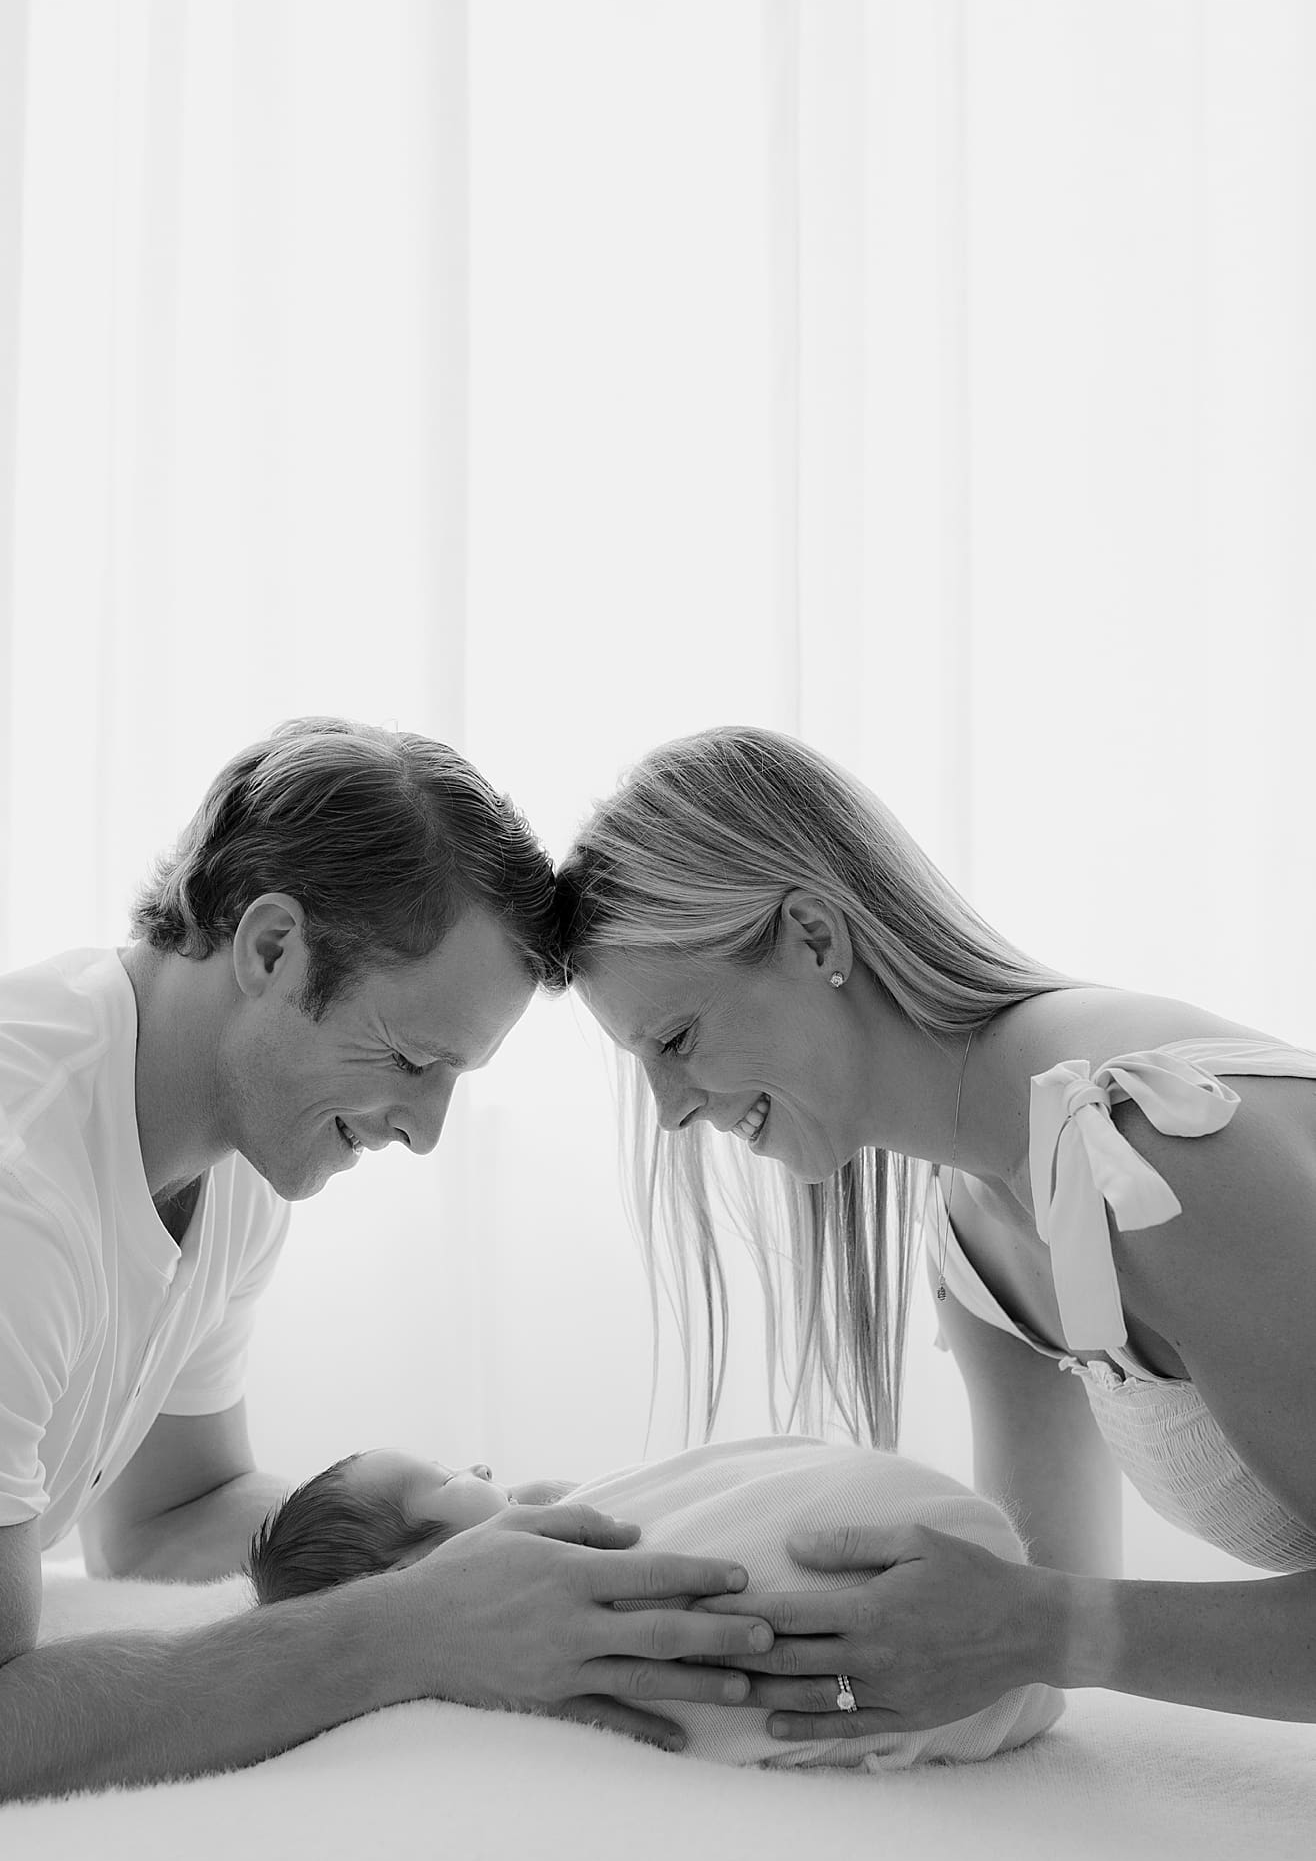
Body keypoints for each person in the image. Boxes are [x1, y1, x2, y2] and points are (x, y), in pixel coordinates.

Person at [0, 717, 775, 1822]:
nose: (423, 1130)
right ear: (272, 950)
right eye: (413, 1061)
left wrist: (463, 1543)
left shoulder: (221, 1162)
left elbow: (174, 1514)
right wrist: (414, 1630)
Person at [551, 723, 1316, 1749]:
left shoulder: (1149, 1145)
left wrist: (1040, 1626)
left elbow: (1048, 1625)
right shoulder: (976, 1239)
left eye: (677, 1042)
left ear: (817, 938)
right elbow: (1030, 1651)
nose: (672, 1113)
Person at [246, 1436, 1064, 1770]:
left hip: (933, 1549)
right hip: (938, 1548)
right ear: (430, 1565)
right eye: (456, 1480)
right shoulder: (507, 1603)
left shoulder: (587, 1513)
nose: (489, 1474)